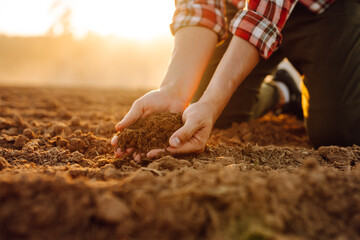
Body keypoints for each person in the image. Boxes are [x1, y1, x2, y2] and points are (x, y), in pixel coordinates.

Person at [111, 0, 360, 161]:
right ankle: (283, 91)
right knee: (210, 113)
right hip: (243, 8)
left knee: (338, 129)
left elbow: (266, 15)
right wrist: (173, 90)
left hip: (323, 11)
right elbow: (200, 7)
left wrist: (212, 101)